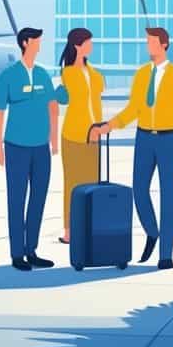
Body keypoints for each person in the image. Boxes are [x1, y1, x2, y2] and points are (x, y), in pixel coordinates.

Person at [94, 27, 173, 270]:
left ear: (164, 45)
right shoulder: (141, 75)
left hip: (167, 139)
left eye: (151, 41)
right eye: (147, 41)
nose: (148, 45)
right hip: (144, 138)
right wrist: (110, 125)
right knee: (139, 190)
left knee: (169, 196)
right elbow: (134, 108)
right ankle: (152, 231)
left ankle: (166, 254)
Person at [0, 27, 68, 271]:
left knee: (38, 199)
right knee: (16, 200)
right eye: (37, 41)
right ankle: (17, 254)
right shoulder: (9, 76)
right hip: (17, 147)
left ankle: (31, 250)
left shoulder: (43, 75)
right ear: (26, 43)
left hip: (41, 148)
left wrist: (54, 140)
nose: (40, 44)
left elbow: (53, 106)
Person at [57, 27, 105, 244]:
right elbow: (64, 98)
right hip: (73, 135)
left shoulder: (95, 74)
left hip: (94, 135)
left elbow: (96, 100)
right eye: (88, 42)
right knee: (73, 184)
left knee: (92, 183)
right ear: (77, 45)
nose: (91, 46)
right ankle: (69, 230)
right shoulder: (67, 74)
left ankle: (90, 227)